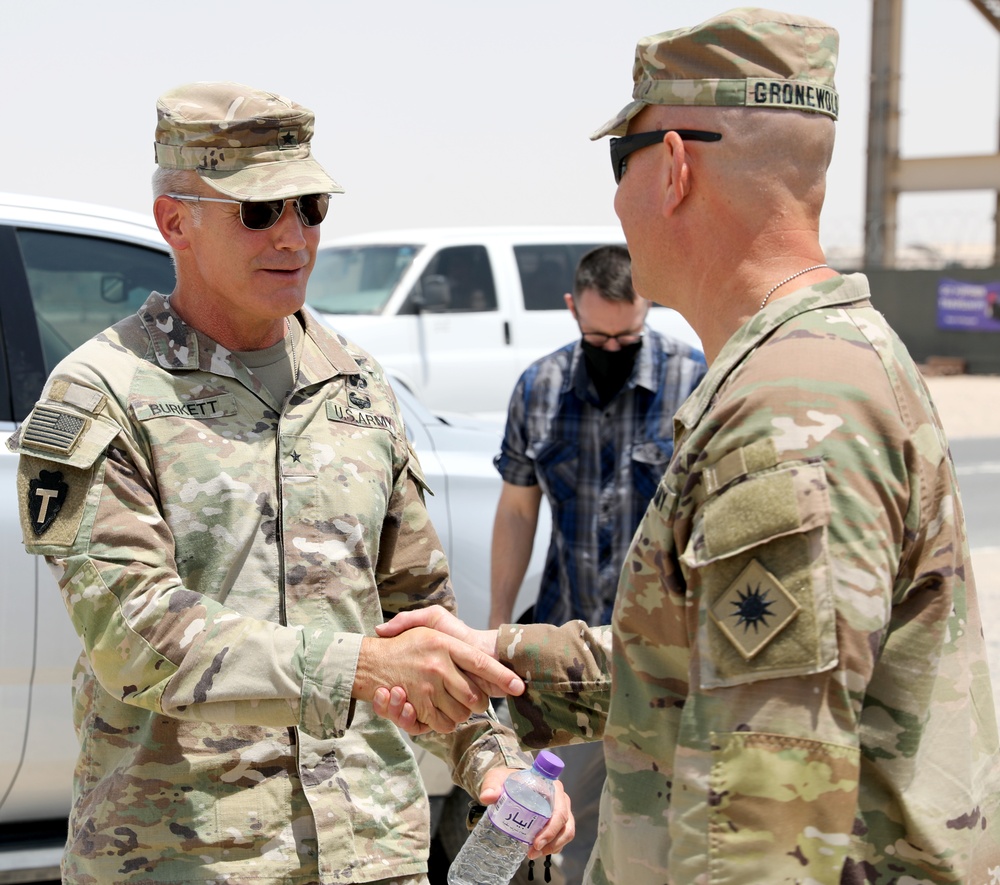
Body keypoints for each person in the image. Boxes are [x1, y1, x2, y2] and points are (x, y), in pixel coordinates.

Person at [375, 9, 1000, 883]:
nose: (615, 202)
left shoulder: (788, 417)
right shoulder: (807, 369)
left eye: (617, 163)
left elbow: (762, 825)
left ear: (672, 167)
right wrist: (493, 659)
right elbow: (694, 658)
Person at [7, 81, 571, 885]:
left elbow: (420, 612)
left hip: (372, 853)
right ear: (176, 222)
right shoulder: (101, 393)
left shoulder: (356, 385)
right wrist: (361, 669)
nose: (294, 235)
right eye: (258, 211)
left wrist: (489, 761)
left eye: (309, 206)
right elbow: (134, 640)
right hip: (185, 857)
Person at [489, 245, 704, 882]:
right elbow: (518, 512)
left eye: (627, 337)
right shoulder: (541, 386)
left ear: (648, 311)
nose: (612, 350)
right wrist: (499, 626)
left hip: (664, 659)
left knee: (664, 830)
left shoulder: (692, 380)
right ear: (571, 310)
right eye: (595, 337)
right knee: (562, 824)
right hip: (566, 654)